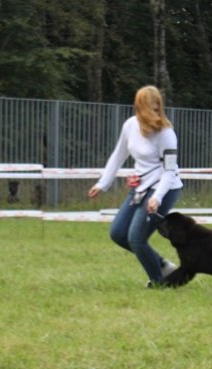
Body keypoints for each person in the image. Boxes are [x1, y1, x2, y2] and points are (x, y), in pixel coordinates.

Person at [88, 85, 183, 287]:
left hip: (164, 189)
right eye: (150, 108)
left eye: (157, 108)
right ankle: (163, 266)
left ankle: (160, 282)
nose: (154, 113)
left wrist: (156, 198)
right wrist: (102, 183)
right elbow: (118, 155)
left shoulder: (166, 134)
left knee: (136, 238)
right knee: (118, 234)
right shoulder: (130, 125)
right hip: (140, 187)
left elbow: (169, 171)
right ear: (139, 107)